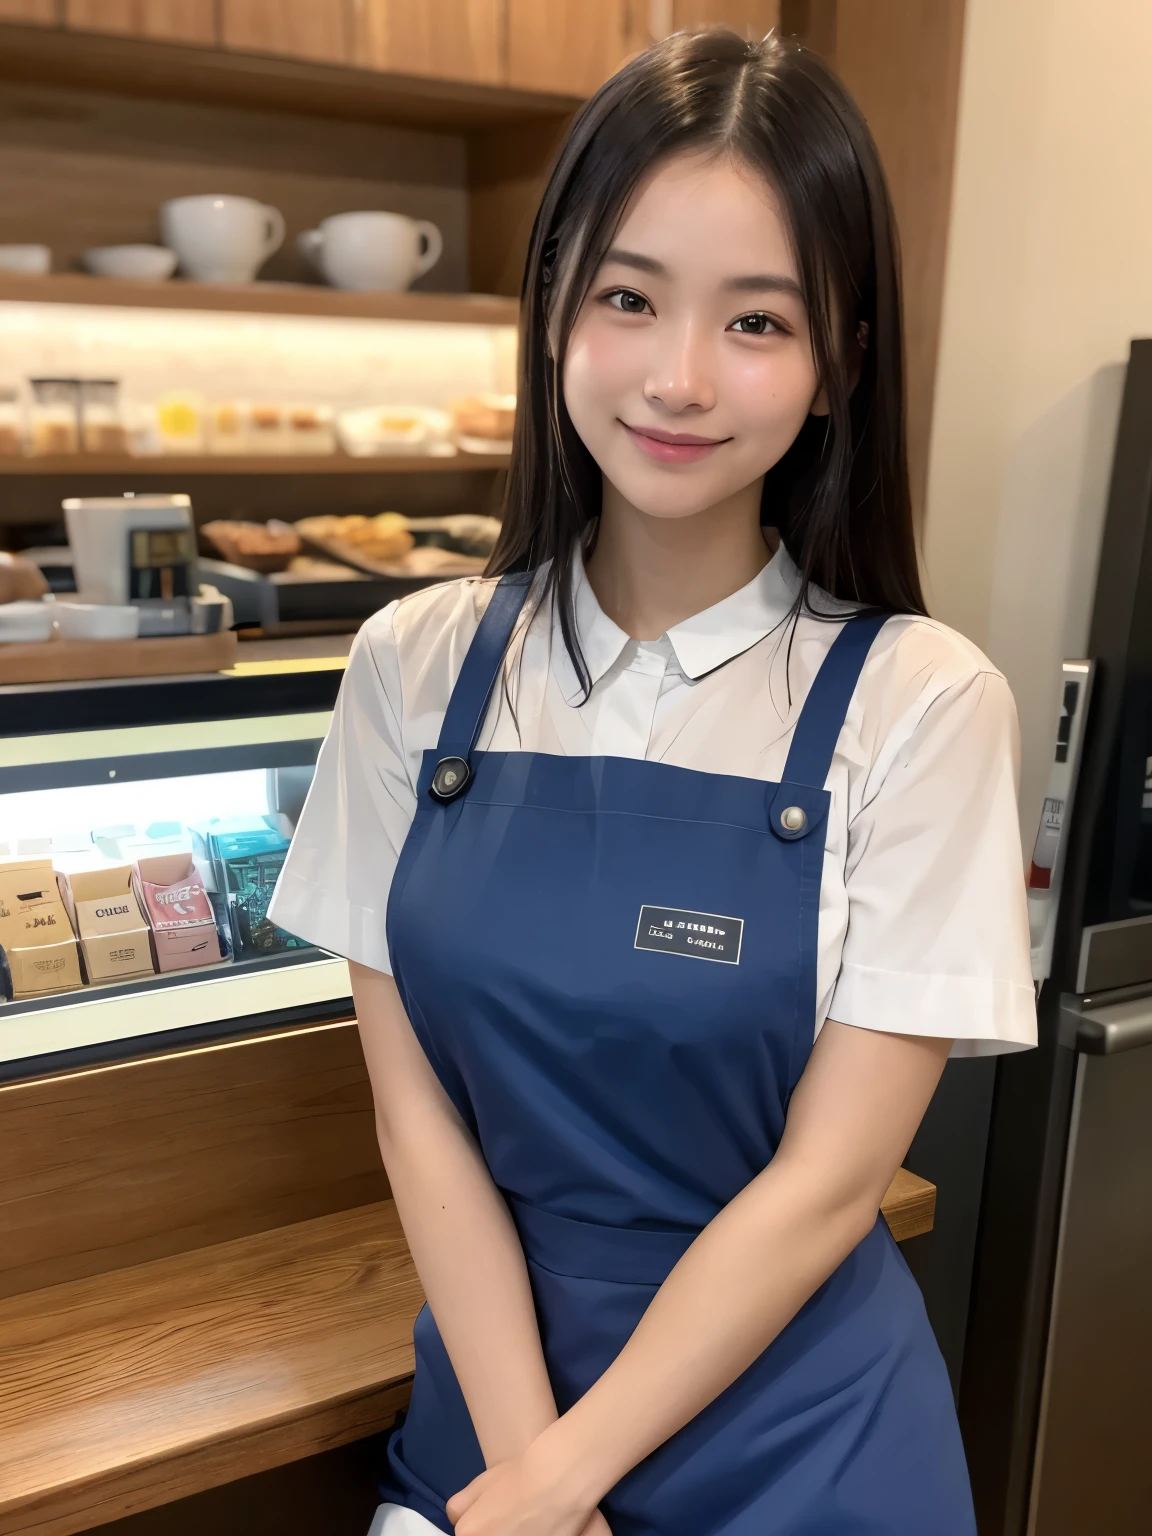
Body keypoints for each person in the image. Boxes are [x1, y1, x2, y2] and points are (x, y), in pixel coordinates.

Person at [269, 28, 1036, 1536]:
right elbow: (417, 1117)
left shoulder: (923, 702)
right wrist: (525, 1474)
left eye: (758, 322)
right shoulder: (411, 667)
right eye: (629, 298)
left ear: (839, 367)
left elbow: (828, 1187)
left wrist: (558, 1483)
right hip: (496, 1423)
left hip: (804, 1452)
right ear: (556, 305)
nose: (679, 379)